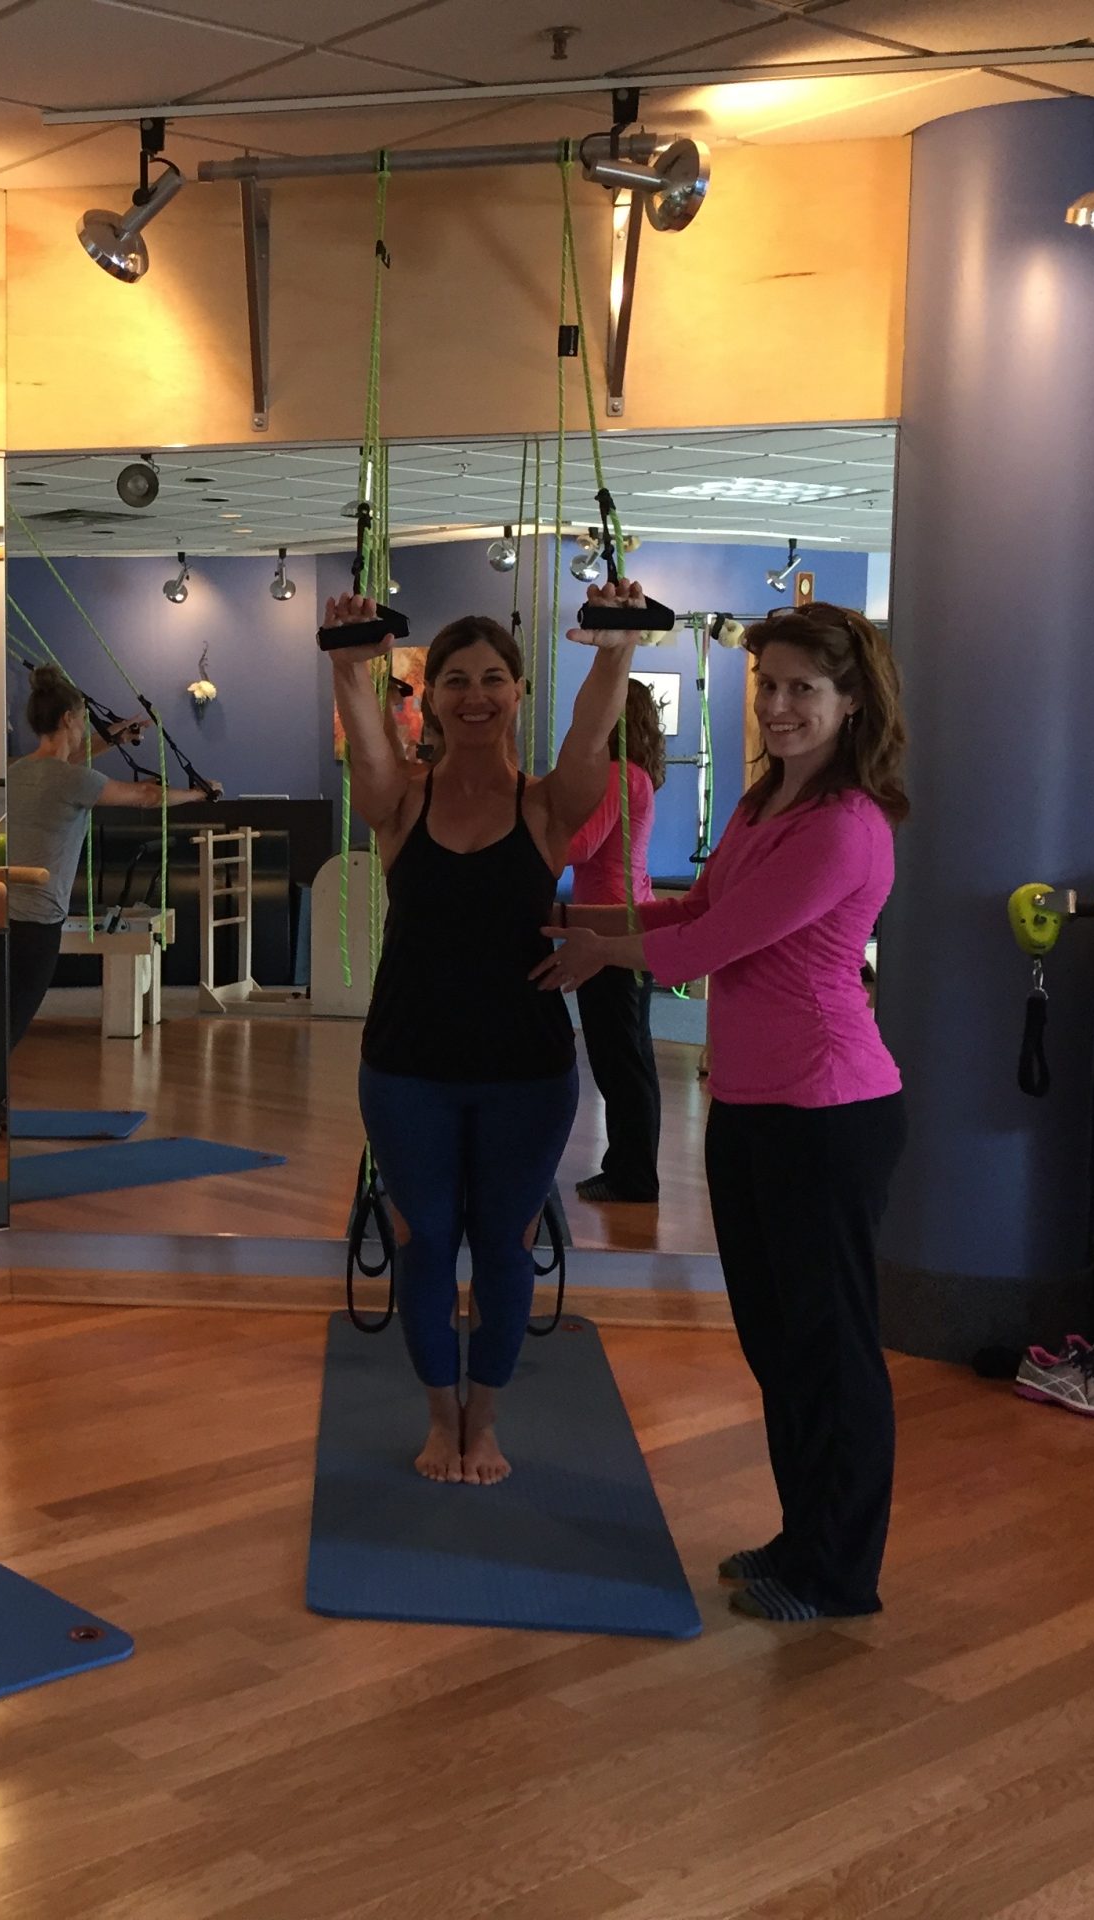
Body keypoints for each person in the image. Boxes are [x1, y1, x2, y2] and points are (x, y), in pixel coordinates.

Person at [536, 603, 907, 1621]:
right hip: (750, 1105)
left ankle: (838, 1574)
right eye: (768, 684)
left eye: (802, 689)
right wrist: (566, 916)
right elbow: (691, 911)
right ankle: (802, 1537)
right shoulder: (761, 805)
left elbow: (705, 952)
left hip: (827, 1110)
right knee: (776, 1342)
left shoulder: (844, 826)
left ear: (849, 702)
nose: (779, 706)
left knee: (827, 1347)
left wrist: (591, 946)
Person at [333, 583, 642, 1487]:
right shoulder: (400, 805)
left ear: (517, 694)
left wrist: (616, 645)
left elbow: (592, 734)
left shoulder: (548, 807)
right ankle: (441, 1419)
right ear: (428, 697)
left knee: (503, 1245)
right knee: (427, 1242)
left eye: (494, 679)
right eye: (456, 680)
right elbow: (361, 730)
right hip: (406, 1067)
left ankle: (487, 1422)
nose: (475, 695)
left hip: (527, 1071)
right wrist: (350, 659)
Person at [0, 663, 214, 1129]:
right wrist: (199, 794)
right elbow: (147, 797)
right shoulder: (74, 781)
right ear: (70, 719)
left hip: (2, 914)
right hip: (37, 921)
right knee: (10, 1024)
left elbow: (68, 763)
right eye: (82, 717)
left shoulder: (20, 771)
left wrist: (112, 736)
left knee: (0, 1018)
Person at [563, 680, 668, 1206]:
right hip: (624, 919)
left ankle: (633, 1177)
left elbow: (578, 845)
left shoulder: (617, 774)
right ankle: (629, 1169)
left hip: (611, 926)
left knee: (619, 1058)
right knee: (629, 1055)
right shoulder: (633, 774)